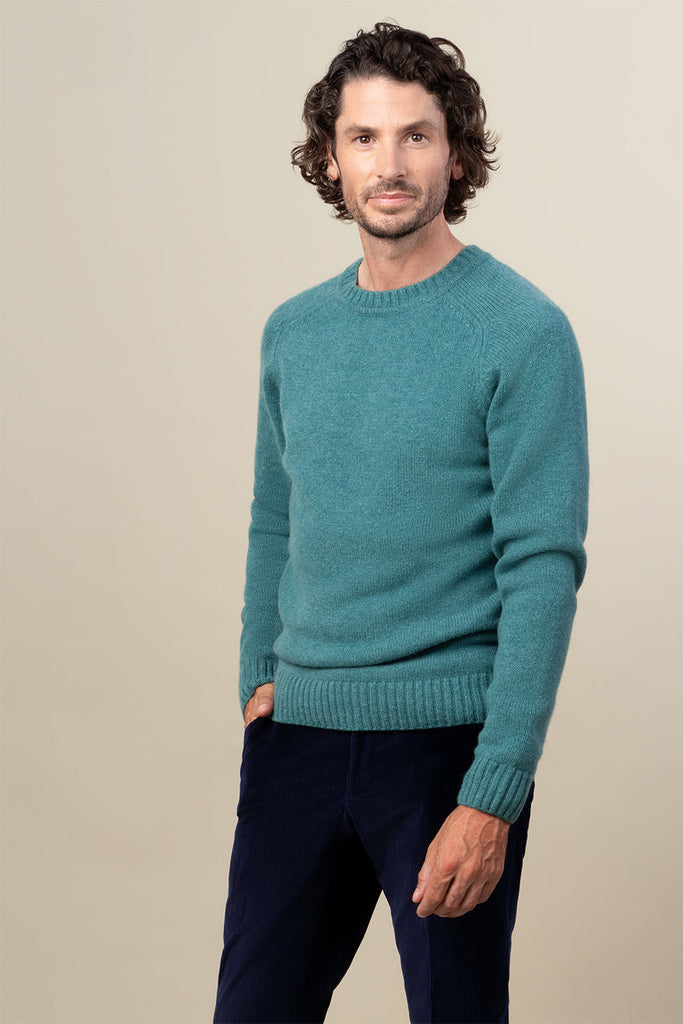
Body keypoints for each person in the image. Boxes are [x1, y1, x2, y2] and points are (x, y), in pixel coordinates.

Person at [213, 21, 589, 1024]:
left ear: (456, 154)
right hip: (297, 736)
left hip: (445, 747)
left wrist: (493, 789)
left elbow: (542, 566)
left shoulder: (522, 330)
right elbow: (274, 517)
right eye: (365, 138)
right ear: (330, 160)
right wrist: (258, 677)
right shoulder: (295, 331)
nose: (390, 164)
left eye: (416, 136)